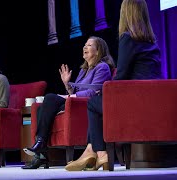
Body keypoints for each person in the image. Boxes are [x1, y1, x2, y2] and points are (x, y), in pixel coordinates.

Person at [65, 0, 161, 171]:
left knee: (94, 103)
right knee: (99, 103)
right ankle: (92, 152)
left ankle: (99, 153)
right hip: (151, 99)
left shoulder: (127, 37)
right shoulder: (151, 40)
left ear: (125, 13)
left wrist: (105, 89)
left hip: (134, 101)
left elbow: (122, 75)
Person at [21, 36, 115, 169]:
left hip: (87, 105)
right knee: (41, 108)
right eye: (84, 45)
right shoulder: (84, 70)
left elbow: (94, 92)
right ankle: (40, 153)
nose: (84, 47)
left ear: (98, 50)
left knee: (50, 98)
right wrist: (67, 85)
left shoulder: (102, 67)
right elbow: (74, 92)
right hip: (76, 103)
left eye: (89, 45)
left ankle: (40, 148)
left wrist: (69, 97)